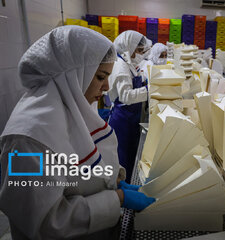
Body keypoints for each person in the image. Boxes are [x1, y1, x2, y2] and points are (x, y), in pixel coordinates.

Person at [0, 26, 154, 240]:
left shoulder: (71, 104)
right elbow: (45, 223)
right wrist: (116, 199)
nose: (106, 87)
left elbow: (80, 165)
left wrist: (112, 179)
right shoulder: (27, 139)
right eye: (101, 77)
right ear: (74, 75)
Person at [108, 30, 148, 183]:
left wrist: (144, 81)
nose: (139, 54)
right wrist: (149, 91)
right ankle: (121, 195)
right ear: (128, 47)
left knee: (130, 157)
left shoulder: (126, 63)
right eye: (138, 51)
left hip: (130, 119)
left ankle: (126, 191)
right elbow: (126, 96)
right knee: (123, 159)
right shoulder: (121, 66)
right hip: (123, 120)